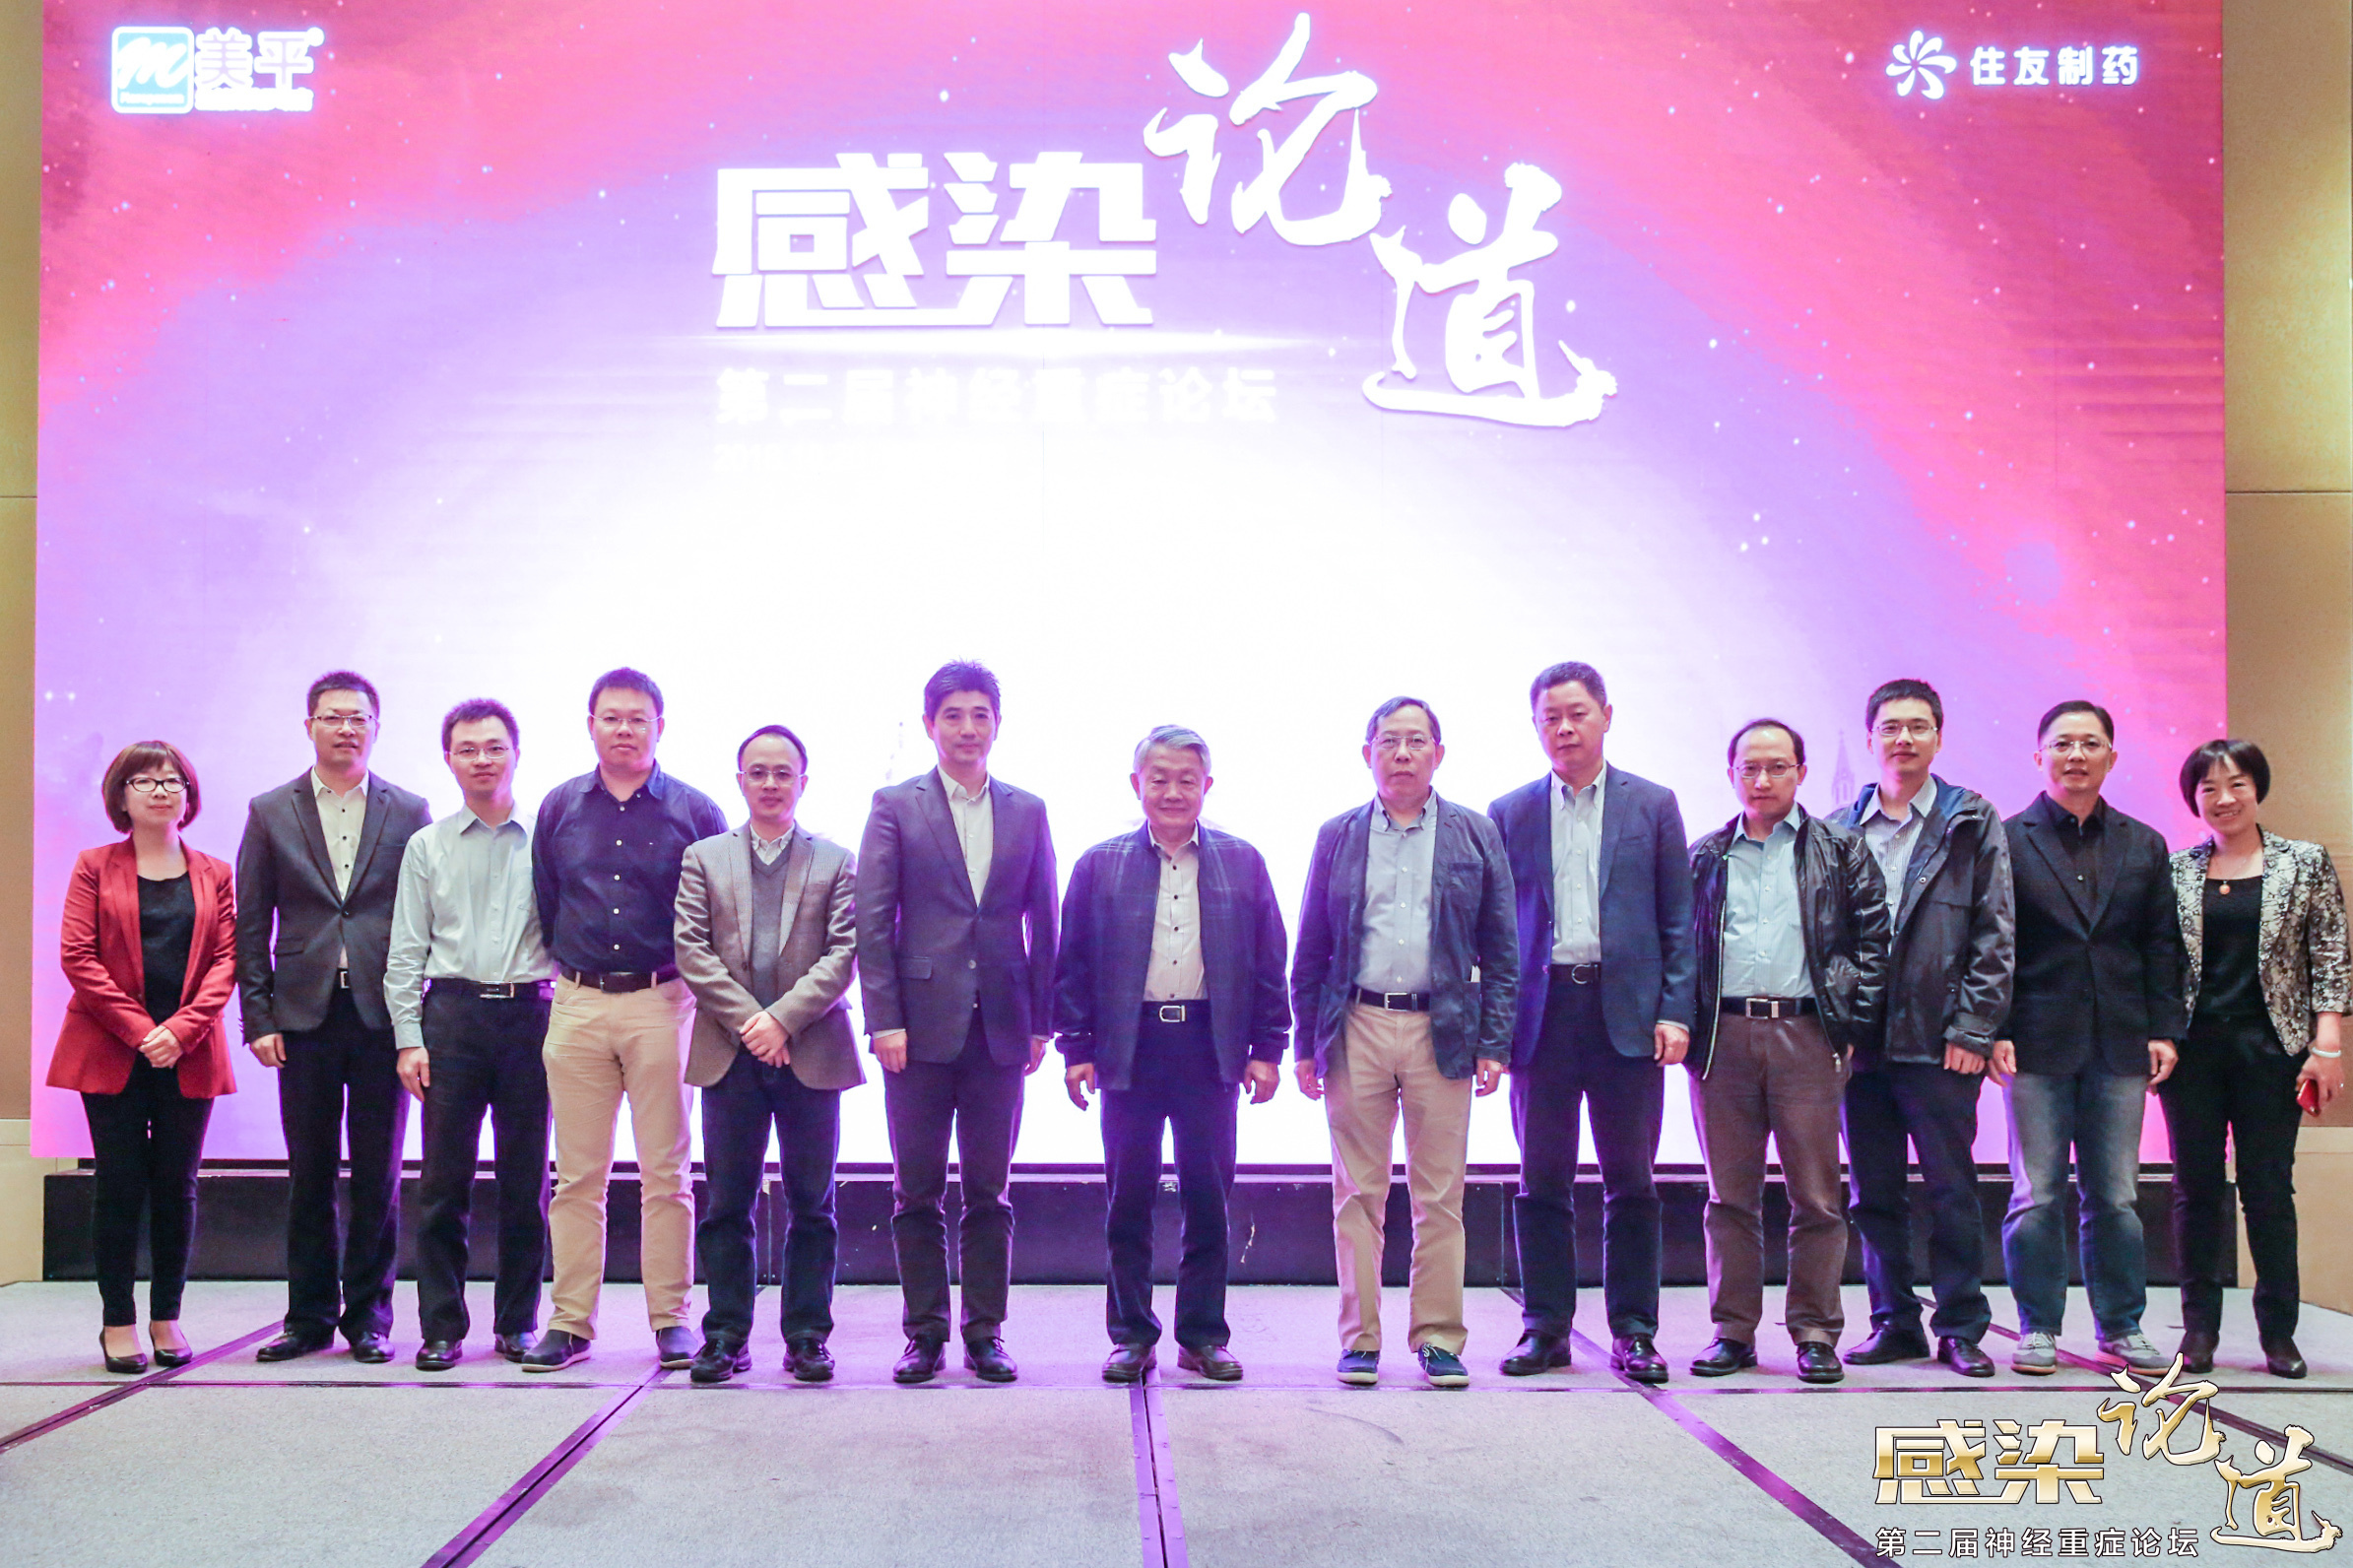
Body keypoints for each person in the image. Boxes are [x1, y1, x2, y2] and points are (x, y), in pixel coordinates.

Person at [1291, 696, 1517, 1389]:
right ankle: (1359, 1340)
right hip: (1355, 1024)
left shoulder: (1474, 833)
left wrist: (1494, 1041)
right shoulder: (1337, 834)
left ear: (1438, 754)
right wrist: (1305, 1043)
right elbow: (1312, 946)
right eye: (1388, 741)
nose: (1402, 754)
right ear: (1367, 754)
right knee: (1356, 1193)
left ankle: (1438, 1338)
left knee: (1439, 1194)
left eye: (1416, 741)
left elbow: (1501, 946)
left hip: (1441, 1029)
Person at [1057, 726, 1290, 1385]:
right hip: (1128, 1047)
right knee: (1127, 1198)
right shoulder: (1098, 864)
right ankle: (1131, 1335)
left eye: (1187, 780)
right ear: (1136, 784)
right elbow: (1072, 965)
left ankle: (1202, 1336)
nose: (1172, 792)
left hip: (1208, 1045)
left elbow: (1268, 960)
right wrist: (1077, 1048)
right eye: (1158, 779)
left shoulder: (1242, 861)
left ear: (1207, 786)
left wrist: (1268, 1048)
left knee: (1207, 1196)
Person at [1486, 662, 1695, 1383]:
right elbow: (1495, 932)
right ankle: (1544, 1328)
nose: (1564, 728)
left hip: (1627, 1015)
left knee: (1631, 1181)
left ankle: (1634, 1331)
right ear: (1535, 726)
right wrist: (1493, 1030)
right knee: (1540, 1180)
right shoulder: (1509, 812)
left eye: (1577, 714)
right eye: (1550, 717)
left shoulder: (1652, 805)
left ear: (1606, 715)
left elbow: (1678, 920)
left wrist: (1674, 1010)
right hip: (1541, 1017)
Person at [857, 661, 1058, 1385]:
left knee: (989, 1192)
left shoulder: (1027, 809)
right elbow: (872, 920)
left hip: (1001, 1028)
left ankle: (985, 1332)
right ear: (929, 724)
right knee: (915, 1191)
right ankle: (924, 1335)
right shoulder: (894, 805)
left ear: (997, 723)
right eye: (953, 715)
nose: (968, 728)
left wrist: (1041, 1022)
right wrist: (883, 1019)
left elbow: (1044, 920)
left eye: (980, 715)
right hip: (915, 1030)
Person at [525, 668, 727, 1373]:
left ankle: (672, 1319)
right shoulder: (559, 807)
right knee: (577, 1175)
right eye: (610, 717)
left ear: (659, 727)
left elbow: (714, 911)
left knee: (666, 1171)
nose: (624, 730)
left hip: (662, 1002)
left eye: (638, 718)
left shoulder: (694, 811)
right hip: (578, 1002)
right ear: (590, 725)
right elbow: (548, 902)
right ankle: (570, 1323)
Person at [235, 672, 431, 1364]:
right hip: (302, 1017)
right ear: (309, 725)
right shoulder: (270, 810)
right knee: (310, 1172)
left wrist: (417, 1021)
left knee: (379, 1174)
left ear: (376, 727)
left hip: (381, 1016)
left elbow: (424, 916)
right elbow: (251, 920)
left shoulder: (409, 810)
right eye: (333, 716)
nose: (346, 728)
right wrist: (258, 1016)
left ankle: (369, 1319)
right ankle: (309, 1317)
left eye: (359, 718)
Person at [1686, 719, 1888, 1385]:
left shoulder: (1840, 849)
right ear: (1731, 775)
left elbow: (1872, 942)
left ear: (1801, 772)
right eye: (1749, 768)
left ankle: (1814, 1331)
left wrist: (1849, 1025)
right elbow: (1682, 949)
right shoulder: (1706, 855)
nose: (1763, 779)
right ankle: (1732, 1332)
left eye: (1777, 766)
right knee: (1729, 1198)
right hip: (1724, 1038)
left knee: (1817, 1197)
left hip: (1807, 1034)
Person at [1994, 699, 2184, 1376]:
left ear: (2110, 755)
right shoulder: (2006, 841)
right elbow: (1993, 945)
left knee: (2116, 1196)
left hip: (2119, 1042)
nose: (2075, 755)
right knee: (2036, 1194)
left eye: (2089, 743)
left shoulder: (2143, 843)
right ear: (2038, 755)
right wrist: (1995, 1028)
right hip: (2034, 1042)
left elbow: (2161, 945)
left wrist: (2164, 1030)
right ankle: (2037, 1328)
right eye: (2062, 743)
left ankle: (2121, 1325)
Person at [1833, 680, 2013, 1380]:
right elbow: (1825, 938)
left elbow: (1995, 931)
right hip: (1861, 1045)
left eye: (1916, 726)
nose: (1902, 739)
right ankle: (1893, 1322)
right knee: (1871, 1193)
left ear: (1937, 737)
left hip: (1941, 1041)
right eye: (1889, 727)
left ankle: (1961, 1326)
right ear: (1870, 739)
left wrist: (1973, 1026)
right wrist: (1835, 1027)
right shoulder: (1837, 829)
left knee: (1951, 1189)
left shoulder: (1969, 820)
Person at [675, 724, 861, 1387]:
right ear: (740, 780)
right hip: (730, 1053)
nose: (771, 783)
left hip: (811, 1050)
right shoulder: (703, 858)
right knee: (728, 1203)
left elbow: (844, 953)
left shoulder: (836, 861)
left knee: (813, 1203)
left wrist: (781, 1020)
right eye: (758, 772)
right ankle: (725, 1335)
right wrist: (752, 1023)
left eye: (784, 772)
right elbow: (691, 950)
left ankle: (807, 1336)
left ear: (803, 782)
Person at [2162, 739, 2349, 1379]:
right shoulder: (2176, 870)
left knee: (2268, 1191)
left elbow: (2329, 956)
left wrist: (2327, 1046)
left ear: (2257, 788)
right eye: (2208, 788)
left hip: (2272, 1050)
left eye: (2236, 783)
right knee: (2194, 1191)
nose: (2224, 798)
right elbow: (2159, 964)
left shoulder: (2303, 862)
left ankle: (2278, 1334)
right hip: (2192, 1053)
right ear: (2193, 798)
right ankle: (2198, 1332)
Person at [51, 743, 238, 1373]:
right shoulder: (93, 866)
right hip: (111, 1049)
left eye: (172, 780)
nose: (161, 790)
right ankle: (117, 1321)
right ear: (121, 795)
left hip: (190, 1051)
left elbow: (227, 961)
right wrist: (141, 1031)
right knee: (119, 1183)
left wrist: (181, 1031)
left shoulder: (215, 872)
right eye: (145, 780)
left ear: (188, 794)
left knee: (178, 1185)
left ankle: (167, 1316)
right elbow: (78, 957)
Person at [384, 699, 554, 1372]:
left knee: (525, 1182)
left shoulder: (546, 839)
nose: (482, 759)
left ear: (516, 753)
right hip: (451, 1018)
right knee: (443, 1183)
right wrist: (408, 1037)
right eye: (467, 749)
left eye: (494, 747)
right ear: (449, 760)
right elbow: (406, 949)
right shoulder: (426, 845)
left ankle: (517, 1323)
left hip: (530, 1018)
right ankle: (441, 1327)